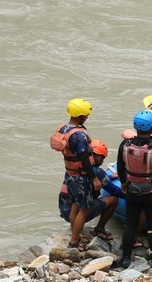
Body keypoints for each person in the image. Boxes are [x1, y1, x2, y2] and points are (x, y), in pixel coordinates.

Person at [114, 110, 152, 269]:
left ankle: (126, 258)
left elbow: (121, 167)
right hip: (151, 192)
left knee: (131, 224)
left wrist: (123, 182)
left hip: (132, 190)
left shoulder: (125, 145)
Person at [50, 98, 100, 250]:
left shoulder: (63, 129)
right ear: (80, 116)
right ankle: (73, 241)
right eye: (86, 115)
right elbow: (85, 158)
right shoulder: (79, 135)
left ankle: (75, 234)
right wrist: (94, 178)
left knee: (74, 206)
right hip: (81, 176)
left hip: (70, 174)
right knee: (84, 209)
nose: (87, 117)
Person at [59, 140, 126, 242]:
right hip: (79, 211)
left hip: (64, 209)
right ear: (98, 157)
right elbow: (115, 191)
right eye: (102, 158)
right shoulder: (97, 172)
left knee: (76, 205)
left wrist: (110, 176)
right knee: (114, 200)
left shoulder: (74, 167)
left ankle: (75, 234)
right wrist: (134, 195)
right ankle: (98, 229)